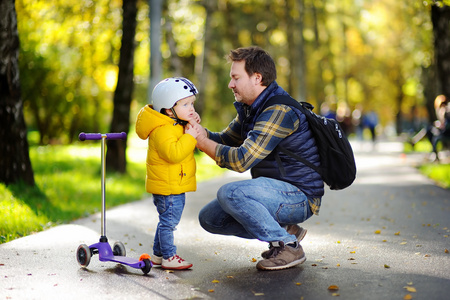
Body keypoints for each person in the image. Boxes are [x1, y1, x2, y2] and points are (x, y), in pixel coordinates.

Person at [192, 46, 324, 271]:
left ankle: (288, 246)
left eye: (235, 77)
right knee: (210, 218)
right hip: (274, 192)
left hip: (300, 196)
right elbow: (226, 139)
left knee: (231, 193)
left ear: (257, 78)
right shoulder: (252, 108)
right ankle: (286, 230)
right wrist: (199, 132)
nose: (230, 84)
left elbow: (241, 161)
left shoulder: (279, 110)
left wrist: (204, 143)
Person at [135, 77, 201, 270]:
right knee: (168, 223)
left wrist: (192, 123)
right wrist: (189, 137)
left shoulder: (173, 124)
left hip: (172, 184)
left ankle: (157, 255)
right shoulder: (163, 130)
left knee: (166, 221)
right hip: (168, 188)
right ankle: (169, 256)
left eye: (192, 104)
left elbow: (183, 135)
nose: (191, 108)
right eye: (185, 104)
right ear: (168, 109)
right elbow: (174, 154)